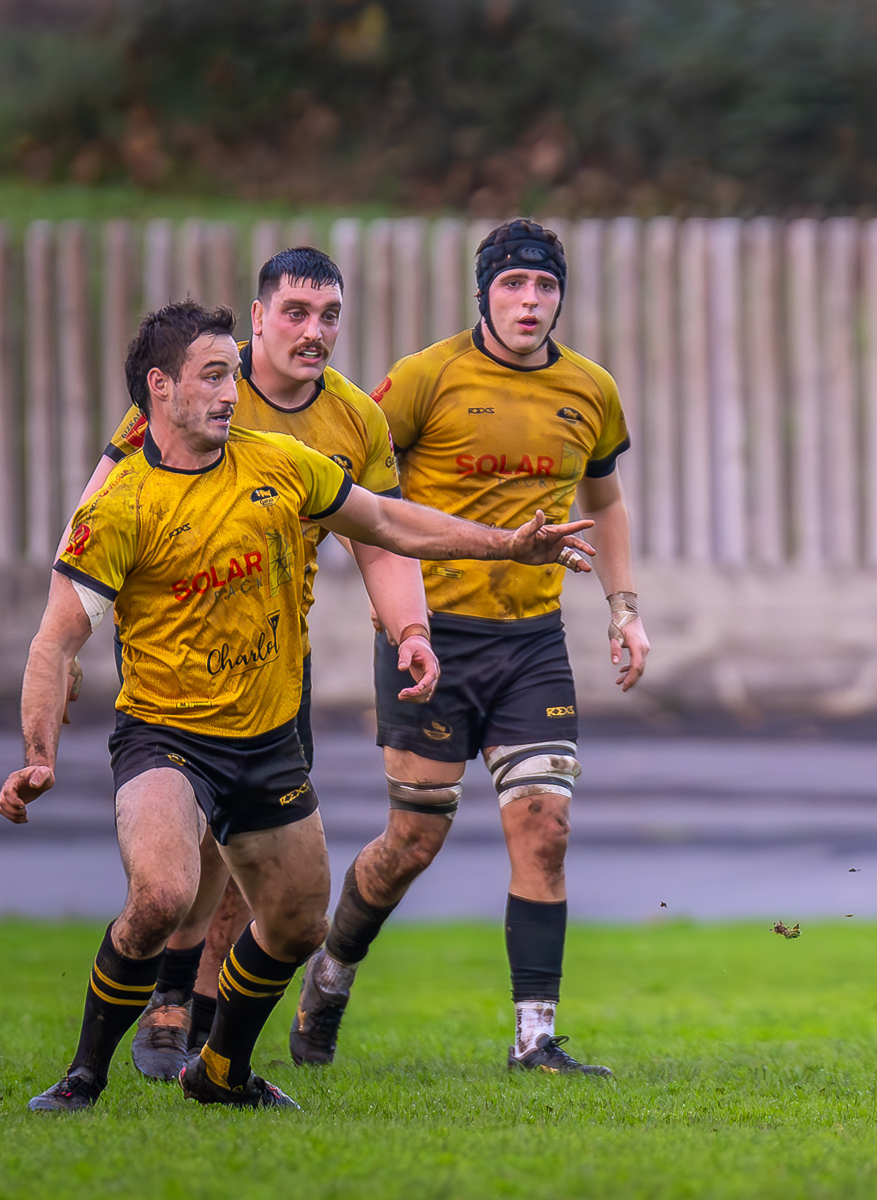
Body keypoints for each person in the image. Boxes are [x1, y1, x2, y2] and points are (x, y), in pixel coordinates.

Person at [3, 301, 596, 1112]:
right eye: (214, 375)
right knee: (162, 897)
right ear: (160, 387)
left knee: (297, 925)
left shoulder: (281, 463)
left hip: (268, 742)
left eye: (232, 374)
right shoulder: (121, 506)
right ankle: (83, 1077)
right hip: (167, 738)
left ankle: (222, 1072)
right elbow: (53, 642)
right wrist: (38, 757)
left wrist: (507, 544)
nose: (231, 391)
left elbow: (385, 522)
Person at [286, 218, 649, 1079]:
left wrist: (625, 608)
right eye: (513, 284)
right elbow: (356, 486)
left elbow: (606, 502)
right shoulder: (425, 377)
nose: (530, 301)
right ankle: (331, 975)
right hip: (433, 641)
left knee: (545, 826)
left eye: (545, 286)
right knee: (412, 842)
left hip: (532, 643)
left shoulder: (590, 388)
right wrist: (387, 600)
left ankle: (535, 1040)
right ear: (483, 293)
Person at [71, 248, 435, 1083]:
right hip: (175, 650)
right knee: (191, 838)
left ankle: (203, 1025)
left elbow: (382, 536)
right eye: (297, 312)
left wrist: (410, 629)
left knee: (253, 852)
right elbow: (100, 501)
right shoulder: (198, 381)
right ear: (260, 317)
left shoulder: (355, 420)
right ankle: (168, 1004)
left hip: (274, 654)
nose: (315, 331)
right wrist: (66, 637)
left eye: (329, 315)